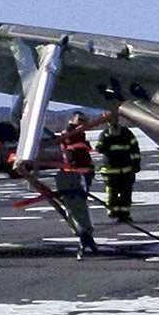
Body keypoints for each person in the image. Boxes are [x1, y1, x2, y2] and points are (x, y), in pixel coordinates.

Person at [52, 110, 101, 256]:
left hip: (82, 176)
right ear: (72, 120)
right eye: (79, 120)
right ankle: (83, 234)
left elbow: (86, 154)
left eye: (84, 121)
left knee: (80, 207)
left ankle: (85, 234)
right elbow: (67, 155)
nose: (82, 123)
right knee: (75, 207)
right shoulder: (67, 136)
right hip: (72, 177)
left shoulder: (81, 136)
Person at [96, 111, 141, 222]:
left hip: (125, 169)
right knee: (112, 193)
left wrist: (136, 163)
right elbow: (99, 148)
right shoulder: (105, 134)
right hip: (111, 170)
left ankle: (124, 214)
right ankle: (114, 212)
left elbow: (135, 148)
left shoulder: (127, 133)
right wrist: (106, 139)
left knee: (126, 193)